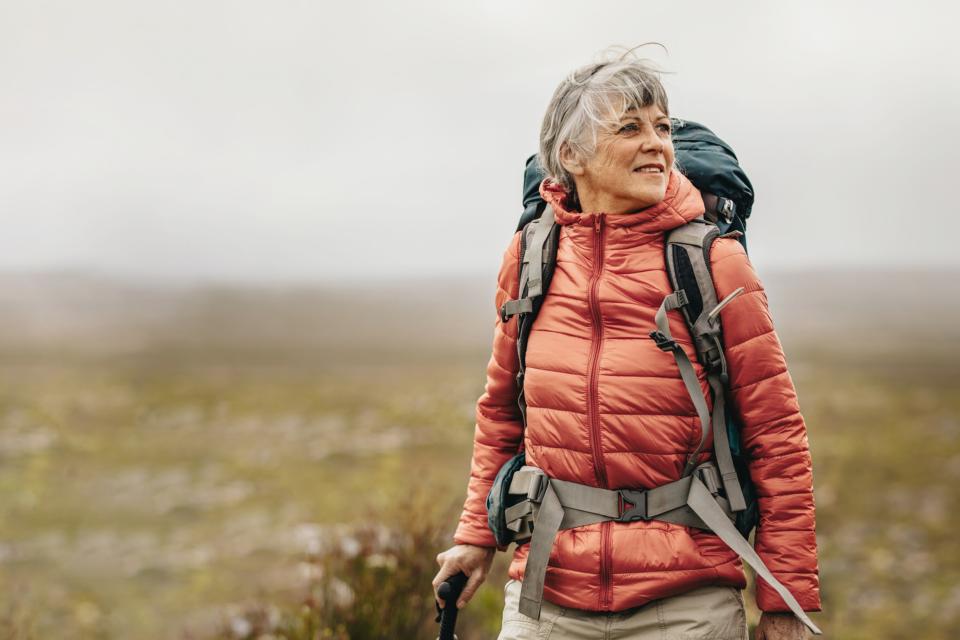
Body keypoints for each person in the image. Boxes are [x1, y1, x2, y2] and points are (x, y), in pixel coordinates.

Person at [433, 50, 821, 640]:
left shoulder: (715, 263)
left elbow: (776, 435)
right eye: (630, 127)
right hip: (546, 597)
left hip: (686, 602)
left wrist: (784, 598)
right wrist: (474, 538)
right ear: (570, 156)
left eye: (663, 128)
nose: (658, 145)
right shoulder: (532, 259)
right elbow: (502, 414)